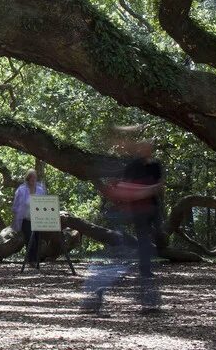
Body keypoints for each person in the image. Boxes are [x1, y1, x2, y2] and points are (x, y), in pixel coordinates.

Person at [82, 127, 164, 315]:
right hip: (128, 215)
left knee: (142, 261)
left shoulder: (152, 165)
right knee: (121, 258)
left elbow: (157, 188)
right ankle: (93, 297)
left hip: (145, 215)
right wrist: (144, 192)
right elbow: (122, 190)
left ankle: (149, 303)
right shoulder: (129, 165)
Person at [12, 169, 46, 268]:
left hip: (38, 219)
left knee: (37, 239)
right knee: (30, 239)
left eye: (34, 177)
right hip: (25, 219)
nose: (33, 179)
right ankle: (32, 260)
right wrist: (15, 215)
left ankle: (35, 260)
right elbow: (16, 205)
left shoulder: (40, 190)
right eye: (31, 177)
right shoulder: (21, 190)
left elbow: (45, 203)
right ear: (27, 178)